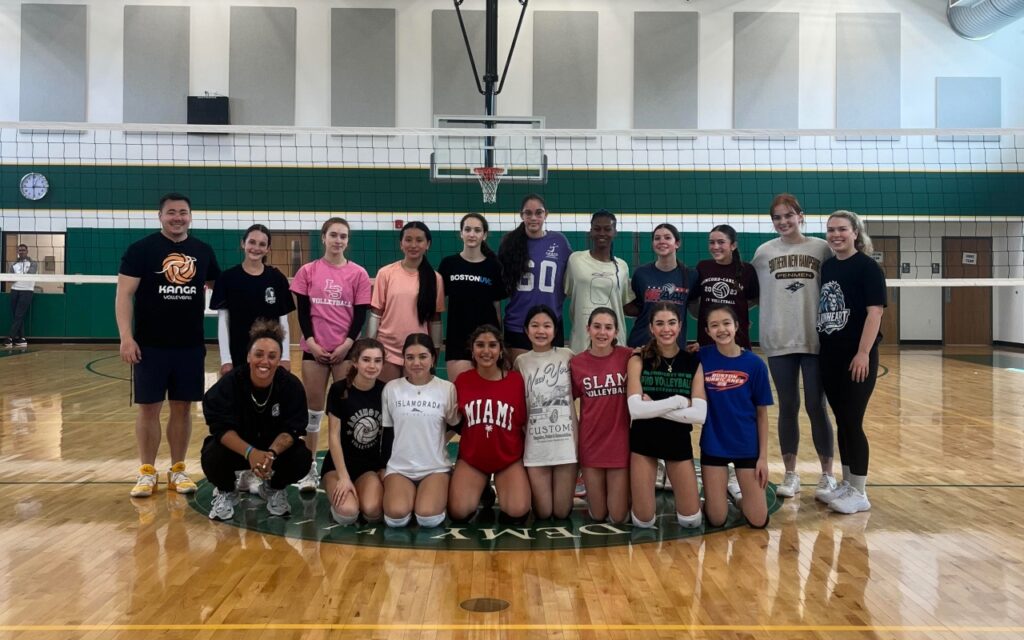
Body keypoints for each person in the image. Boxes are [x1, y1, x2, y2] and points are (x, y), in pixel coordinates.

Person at [116, 193, 221, 498]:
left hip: (189, 346)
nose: (178, 217)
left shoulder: (202, 251)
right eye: (171, 212)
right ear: (160, 216)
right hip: (150, 346)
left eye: (183, 212)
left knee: (183, 408)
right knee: (149, 409)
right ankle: (147, 472)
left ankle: (177, 470)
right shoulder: (141, 250)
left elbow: (220, 287)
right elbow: (124, 295)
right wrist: (126, 336)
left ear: (191, 216)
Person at [751, 194, 836, 501]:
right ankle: (791, 473)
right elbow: (750, 293)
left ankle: (827, 475)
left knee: (816, 405)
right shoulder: (763, 253)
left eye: (788, 215)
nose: (783, 222)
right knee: (788, 407)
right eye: (777, 218)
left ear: (801, 215)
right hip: (779, 340)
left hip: (815, 339)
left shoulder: (822, 249)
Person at [200, 320, 313, 520]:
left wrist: (270, 454)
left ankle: (273, 488)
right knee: (211, 453)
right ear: (248, 356)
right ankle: (227, 491)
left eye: (272, 356)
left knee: (302, 456)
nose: (264, 361)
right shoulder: (231, 383)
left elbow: (293, 429)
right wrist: (250, 452)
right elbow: (220, 428)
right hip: (240, 449)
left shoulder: (290, 386)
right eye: (259, 354)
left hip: (272, 452)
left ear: (279, 360)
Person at [290, 217, 372, 493]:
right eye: (333, 235)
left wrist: (347, 345)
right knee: (313, 412)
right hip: (314, 350)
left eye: (343, 236)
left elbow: (360, 314)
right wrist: (311, 343)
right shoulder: (308, 271)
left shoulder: (358, 274)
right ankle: (309, 467)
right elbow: (302, 311)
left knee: (347, 411)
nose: (338, 240)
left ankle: (347, 466)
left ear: (348, 241)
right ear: (323, 237)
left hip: (345, 351)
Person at [816, 211, 886, 514]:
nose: (836, 235)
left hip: (856, 356)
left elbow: (875, 313)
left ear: (855, 232)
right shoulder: (829, 266)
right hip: (829, 355)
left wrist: (863, 353)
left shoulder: (868, 268)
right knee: (842, 421)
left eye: (842, 229)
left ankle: (859, 491)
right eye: (831, 230)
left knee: (853, 422)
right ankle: (846, 483)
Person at [626, 302, 707, 530]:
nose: (666, 329)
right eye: (659, 323)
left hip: (678, 441)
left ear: (680, 326)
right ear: (651, 328)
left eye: (671, 323)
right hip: (644, 441)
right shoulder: (638, 358)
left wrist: (655, 407)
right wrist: (679, 402)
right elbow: (635, 410)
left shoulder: (692, 361)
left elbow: (700, 414)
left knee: (691, 520)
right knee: (643, 521)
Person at [699, 305, 773, 529]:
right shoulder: (701, 357)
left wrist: (763, 458)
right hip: (714, 445)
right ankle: (712, 500)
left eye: (726, 323)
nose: (721, 329)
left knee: (759, 521)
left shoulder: (755, 365)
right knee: (717, 519)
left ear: (737, 326)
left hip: (746, 447)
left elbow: (762, 415)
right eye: (714, 325)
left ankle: (738, 497)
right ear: (708, 331)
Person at [449, 326, 530, 523]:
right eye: (480, 345)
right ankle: (483, 490)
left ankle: (503, 487)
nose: (486, 351)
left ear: (501, 350)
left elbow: (526, 424)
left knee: (517, 511)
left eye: (492, 345)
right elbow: (453, 423)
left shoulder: (516, 381)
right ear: (472, 350)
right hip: (473, 459)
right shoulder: (462, 381)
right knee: (459, 512)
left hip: (508, 459)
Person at [381, 333, 460, 528]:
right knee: (395, 518)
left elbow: (456, 424)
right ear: (404, 359)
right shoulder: (391, 388)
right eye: (410, 357)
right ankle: (409, 495)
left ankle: (436, 493)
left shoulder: (447, 388)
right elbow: (388, 433)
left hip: (435, 468)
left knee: (428, 517)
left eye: (423, 356)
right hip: (400, 469)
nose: (416, 362)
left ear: (433, 358)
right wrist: (383, 469)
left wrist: (441, 439)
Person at [514, 305, 577, 520]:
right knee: (543, 512)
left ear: (555, 330)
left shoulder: (568, 356)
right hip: (536, 446)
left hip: (565, 445)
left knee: (561, 512)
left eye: (547, 326)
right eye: (535, 325)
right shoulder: (521, 362)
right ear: (526, 330)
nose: (541, 331)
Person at [570, 307, 632, 524]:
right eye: (597, 326)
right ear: (588, 329)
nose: (602, 333)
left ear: (616, 331)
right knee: (597, 515)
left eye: (608, 327)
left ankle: (630, 495)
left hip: (619, 444)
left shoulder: (628, 357)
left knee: (618, 517)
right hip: (591, 444)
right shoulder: (576, 363)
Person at [322, 338, 391, 525]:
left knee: (373, 512)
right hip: (338, 466)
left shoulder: (386, 391)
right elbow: (333, 438)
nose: (372, 366)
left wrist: (384, 468)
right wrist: (343, 477)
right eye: (366, 360)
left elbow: (388, 436)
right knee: (348, 514)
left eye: (377, 361)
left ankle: (362, 492)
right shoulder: (339, 390)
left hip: (367, 466)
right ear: (355, 362)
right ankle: (340, 498)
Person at [211, 224, 295, 375]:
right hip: (239, 353)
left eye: (262, 244)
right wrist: (226, 360)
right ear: (243, 243)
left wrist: (285, 357)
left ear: (268, 249)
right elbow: (223, 320)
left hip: (269, 354)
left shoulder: (277, 278)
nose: (256, 248)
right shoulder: (227, 278)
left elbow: (284, 321)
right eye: (252, 242)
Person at [498, 194, 572, 364]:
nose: (533, 217)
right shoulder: (510, 243)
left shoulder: (559, 242)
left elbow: (570, 277)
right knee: (522, 382)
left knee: (551, 382)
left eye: (538, 213)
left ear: (546, 214)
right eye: (528, 213)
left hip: (551, 323)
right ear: (521, 215)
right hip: (518, 323)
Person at [368, 222, 444, 383]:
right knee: (386, 400)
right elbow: (376, 313)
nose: (413, 245)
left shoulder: (435, 278)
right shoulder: (386, 273)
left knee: (412, 404)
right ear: (401, 244)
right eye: (408, 240)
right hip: (387, 349)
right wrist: (370, 346)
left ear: (427, 244)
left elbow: (435, 319)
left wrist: (435, 351)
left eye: (419, 240)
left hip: (418, 350)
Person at [438, 213, 506, 383]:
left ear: (484, 235)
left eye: (477, 230)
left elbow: (496, 308)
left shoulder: (493, 266)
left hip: (487, 341)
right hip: (457, 340)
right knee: (460, 397)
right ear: (461, 233)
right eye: (467, 229)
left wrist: (500, 341)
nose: (472, 234)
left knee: (488, 396)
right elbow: (438, 306)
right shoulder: (449, 264)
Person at [565, 210, 635, 354]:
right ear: (591, 232)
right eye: (597, 229)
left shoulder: (622, 266)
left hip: (615, 342)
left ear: (615, 232)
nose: (602, 233)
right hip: (582, 342)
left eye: (607, 229)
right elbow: (566, 292)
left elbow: (625, 305)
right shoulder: (575, 260)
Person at [625, 223, 698, 348]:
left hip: (674, 347)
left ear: (677, 243)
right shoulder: (641, 273)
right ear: (653, 244)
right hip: (642, 344)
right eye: (657, 238)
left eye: (667, 237)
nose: (662, 241)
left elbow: (695, 309)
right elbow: (635, 306)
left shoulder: (690, 275)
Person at [692, 224, 759, 349]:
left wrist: (737, 311)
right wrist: (703, 316)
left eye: (721, 242)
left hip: (738, 340)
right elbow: (693, 299)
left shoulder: (747, 270)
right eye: (712, 242)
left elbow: (755, 299)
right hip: (708, 339)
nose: (715, 247)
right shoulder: (702, 267)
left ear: (733, 245)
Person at [6, 243, 37, 348]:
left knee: (19, 315)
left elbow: (30, 274)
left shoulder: (33, 263)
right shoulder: (13, 264)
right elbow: (10, 278)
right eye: (20, 250)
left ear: (27, 251)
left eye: (23, 250)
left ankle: (10, 338)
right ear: (18, 252)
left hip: (27, 290)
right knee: (17, 316)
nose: (21, 252)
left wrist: (17, 276)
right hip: (14, 290)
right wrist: (16, 277)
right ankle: (22, 339)